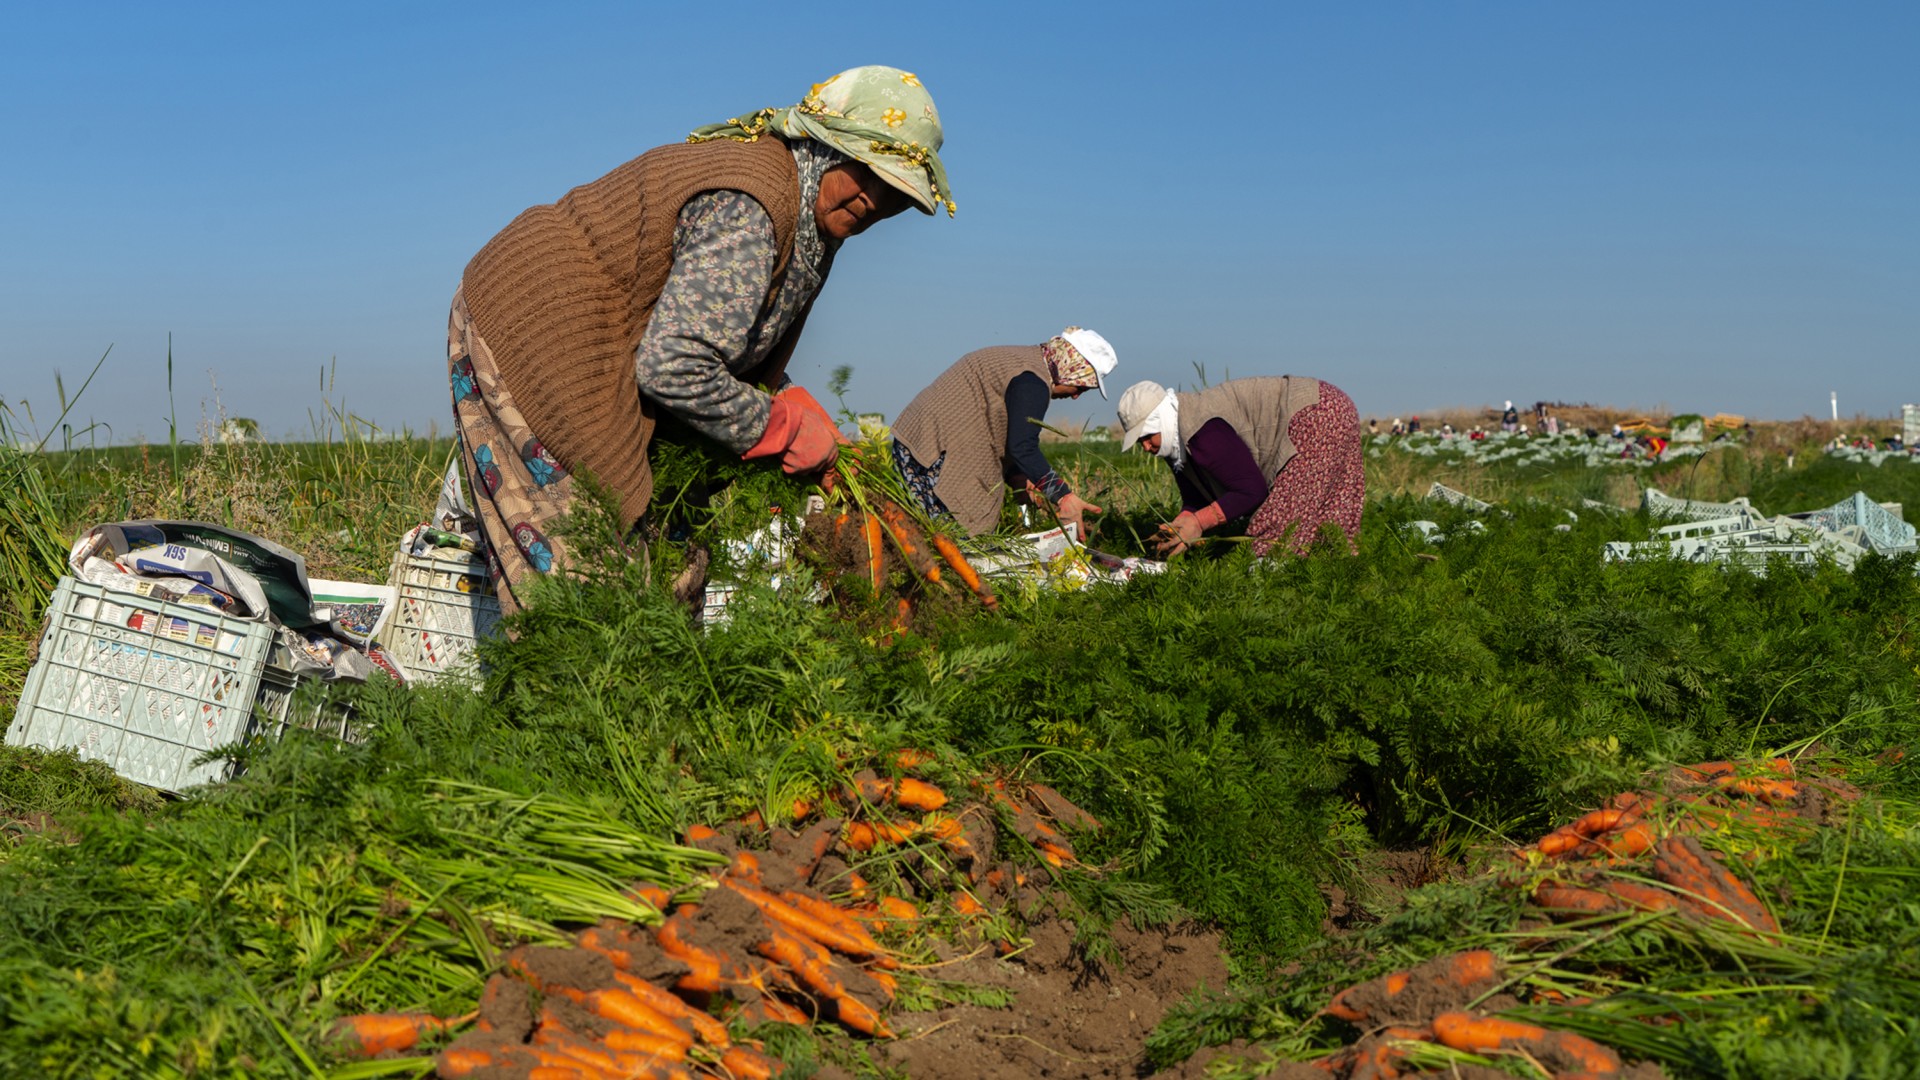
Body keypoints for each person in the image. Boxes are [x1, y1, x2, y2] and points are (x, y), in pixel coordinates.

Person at [446, 66, 952, 612]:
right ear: (825, 147)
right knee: (591, 586)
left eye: (895, 192)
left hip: (619, 352)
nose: (873, 199)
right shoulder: (752, 206)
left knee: (675, 568)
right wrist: (783, 428)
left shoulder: (811, 222)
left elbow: (714, 332)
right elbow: (674, 367)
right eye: (864, 173)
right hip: (542, 326)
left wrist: (784, 396)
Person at [892, 329, 1118, 537]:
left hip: (921, 441)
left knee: (930, 537)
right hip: (932, 452)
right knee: (947, 540)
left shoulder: (1025, 362)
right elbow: (1023, 447)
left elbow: (999, 430)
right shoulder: (1032, 381)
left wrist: (1017, 475)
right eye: (1081, 387)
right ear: (1070, 369)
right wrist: (1063, 496)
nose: (1076, 396)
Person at [1114, 375, 1363, 557]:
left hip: (1317, 413)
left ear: (1162, 421)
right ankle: (1335, 571)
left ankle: (1280, 591)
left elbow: (1251, 491)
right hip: (1328, 406)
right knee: (1319, 530)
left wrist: (1199, 523)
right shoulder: (1175, 444)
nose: (1145, 446)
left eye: (1148, 436)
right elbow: (1196, 497)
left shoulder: (1202, 430)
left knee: (1277, 534)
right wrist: (1180, 525)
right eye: (1139, 441)